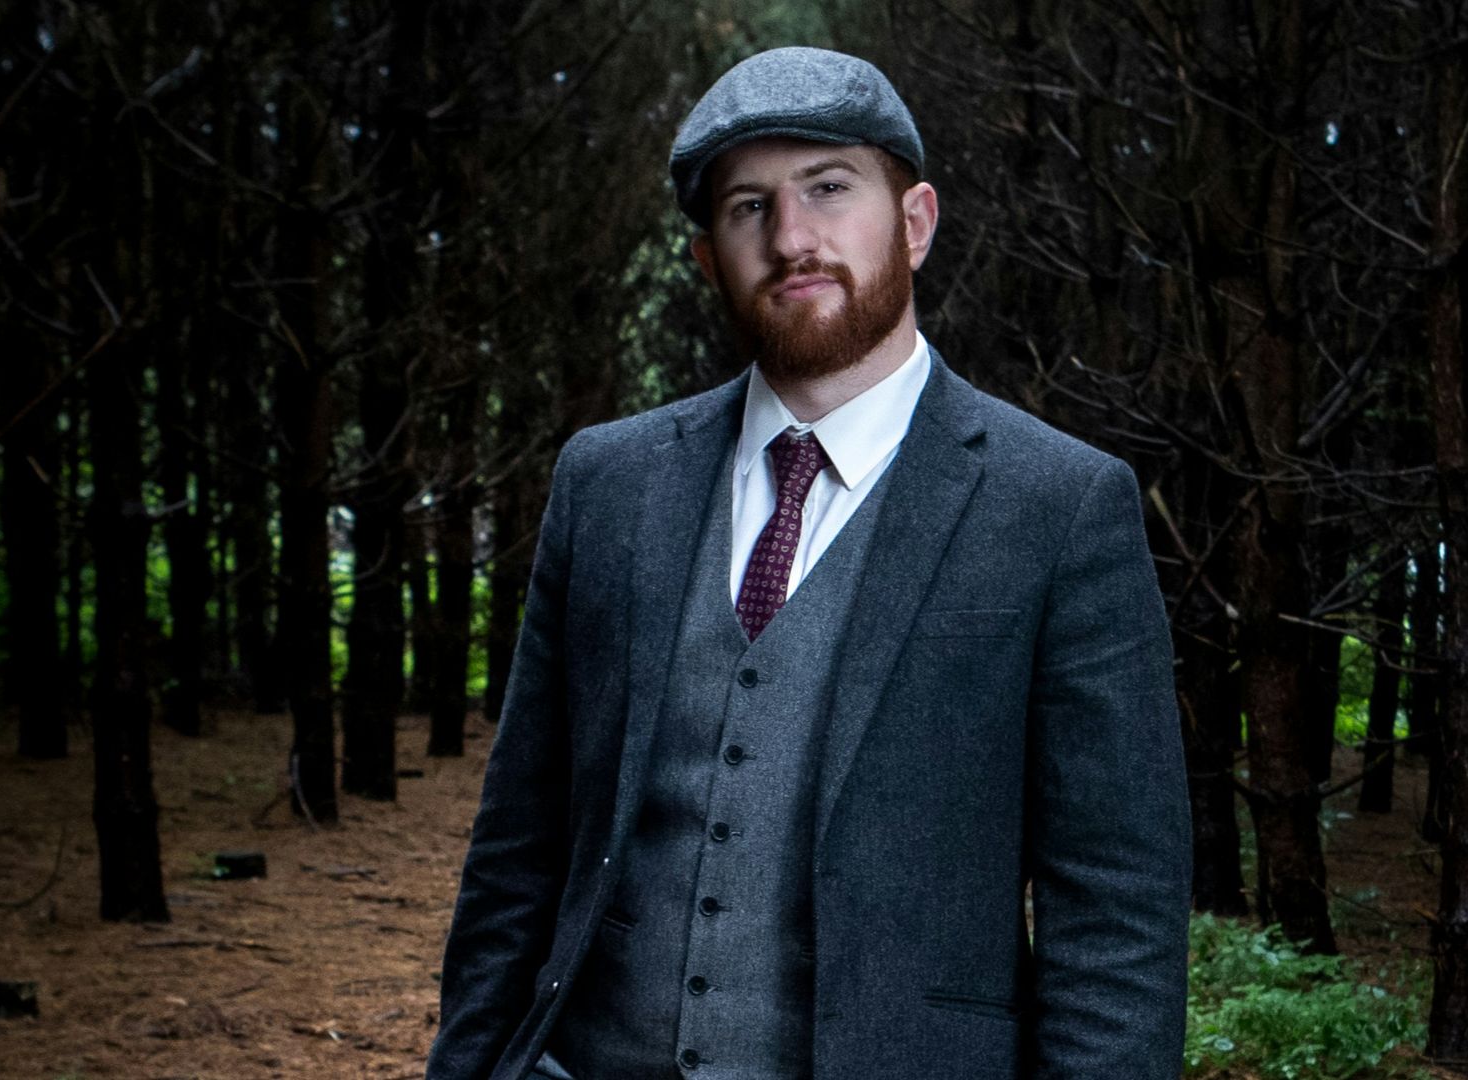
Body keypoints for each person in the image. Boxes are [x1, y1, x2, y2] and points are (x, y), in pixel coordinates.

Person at [426, 46, 1191, 1080]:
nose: (791, 239)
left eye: (829, 188)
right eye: (749, 207)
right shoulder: (609, 482)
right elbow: (517, 844)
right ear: (709, 260)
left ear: (915, 222)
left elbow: (1117, 906)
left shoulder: (1059, 505)